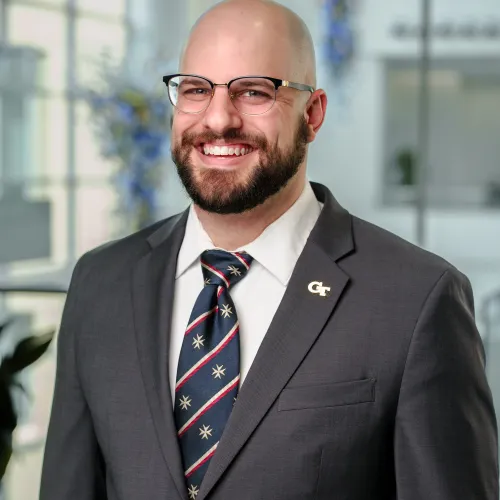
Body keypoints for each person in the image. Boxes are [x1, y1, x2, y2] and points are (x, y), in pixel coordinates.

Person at [39, 0, 499, 499]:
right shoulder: (100, 282)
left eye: (254, 91)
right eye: (196, 89)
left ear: (313, 113)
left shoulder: (416, 300)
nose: (218, 119)